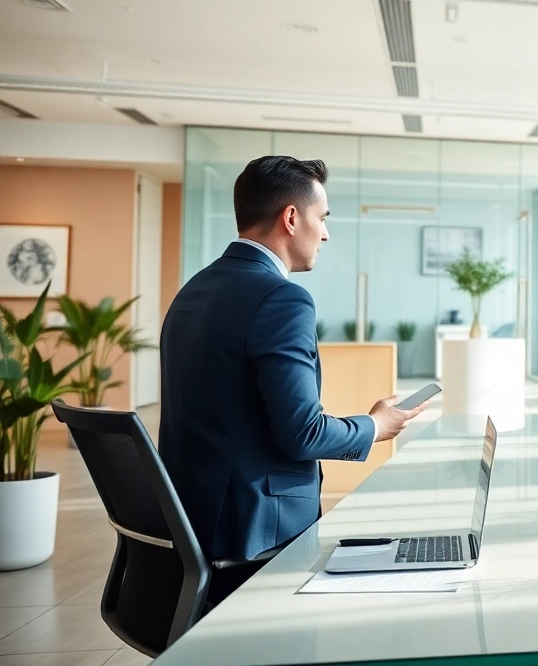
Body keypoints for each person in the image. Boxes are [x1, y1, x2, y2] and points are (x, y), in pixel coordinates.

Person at [159, 155, 429, 602]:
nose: (325, 233)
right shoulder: (283, 299)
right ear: (290, 217)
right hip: (257, 538)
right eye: (321, 218)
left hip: (192, 526)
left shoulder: (195, 289)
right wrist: (376, 426)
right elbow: (303, 434)